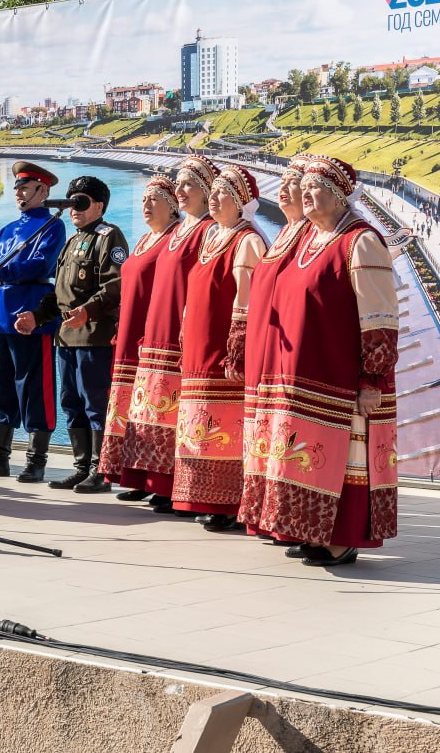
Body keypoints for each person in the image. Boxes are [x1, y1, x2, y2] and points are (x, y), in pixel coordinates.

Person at [244, 157, 399, 566]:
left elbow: (379, 317)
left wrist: (372, 379)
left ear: (340, 195)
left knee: (343, 459)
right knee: (304, 456)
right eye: (305, 187)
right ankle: (311, 532)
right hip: (300, 375)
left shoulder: (360, 240)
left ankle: (340, 539)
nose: (307, 194)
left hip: (340, 376)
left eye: (317, 188)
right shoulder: (307, 240)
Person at [171, 165, 267, 530]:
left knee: (222, 424)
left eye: (223, 192)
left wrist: (237, 347)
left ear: (241, 201)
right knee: (200, 422)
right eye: (213, 191)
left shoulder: (247, 241)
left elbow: (247, 299)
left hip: (221, 351)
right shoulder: (214, 237)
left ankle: (227, 503)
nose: (213, 198)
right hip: (198, 348)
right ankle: (201, 495)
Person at [16, 175, 127, 492]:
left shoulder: (109, 237)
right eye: (71, 201)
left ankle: (100, 470)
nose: (75, 208)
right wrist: (37, 317)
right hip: (66, 338)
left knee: (95, 404)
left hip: (93, 336)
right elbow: (59, 293)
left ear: (99, 206)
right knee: (71, 402)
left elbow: (114, 286)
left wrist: (88, 311)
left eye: (82, 202)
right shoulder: (72, 240)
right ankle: (81, 467)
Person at [121, 155, 218, 514]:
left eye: (188, 184)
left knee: (173, 413)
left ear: (207, 192)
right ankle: (148, 479)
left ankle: (169, 484)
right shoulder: (177, 231)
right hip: (157, 332)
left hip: (179, 334)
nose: (180, 190)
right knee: (152, 412)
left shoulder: (207, 229)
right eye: (178, 184)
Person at [0, 160, 63, 481]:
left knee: (35, 388)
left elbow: (40, 266)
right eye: (17, 187)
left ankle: (36, 460)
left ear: (43, 190)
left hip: (29, 315)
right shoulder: (7, 229)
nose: (18, 192)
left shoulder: (52, 226)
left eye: (25, 187)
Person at [237, 155, 314, 530]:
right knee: (266, 438)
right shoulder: (285, 232)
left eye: (294, 182)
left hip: (289, 355)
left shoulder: (308, 236)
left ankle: (289, 519)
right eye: (282, 181)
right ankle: (269, 515)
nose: (283, 189)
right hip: (266, 352)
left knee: (287, 441)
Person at [93, 176, 180, 497]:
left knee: (156, 413)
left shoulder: (174, 240)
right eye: (143, 199)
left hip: (154, 335)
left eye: (153, 199)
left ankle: (160, 483)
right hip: (130, 333)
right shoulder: (145, 239)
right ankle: (136, 477)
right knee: (135, 412)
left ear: (172, 206)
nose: (145, 205)